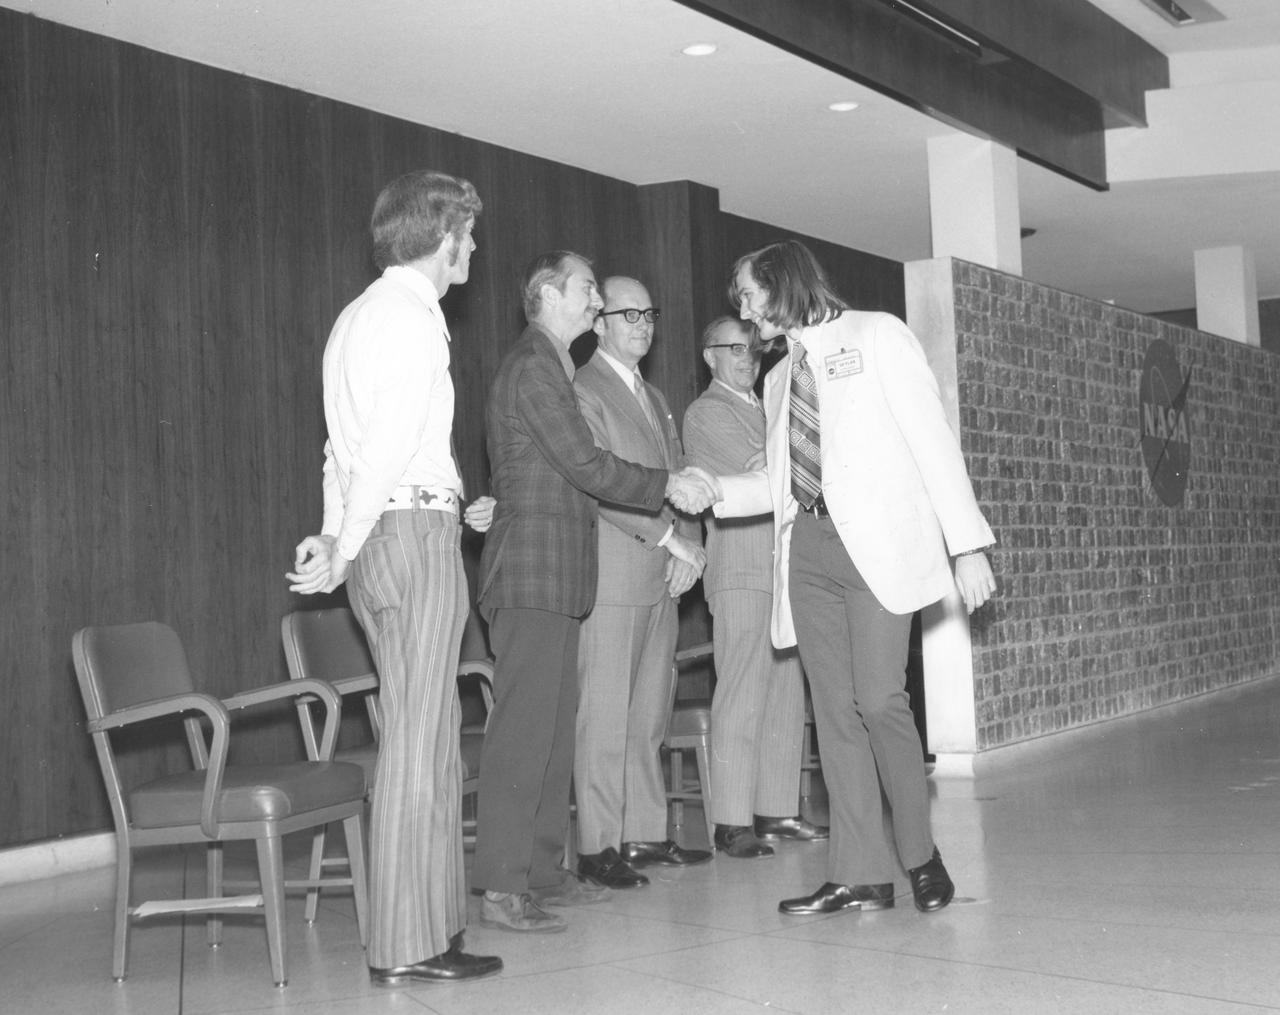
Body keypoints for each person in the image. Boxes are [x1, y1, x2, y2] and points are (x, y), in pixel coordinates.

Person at [707, 239, 997, 916]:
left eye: (749, 293)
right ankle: (860, 871)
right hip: (806, 549)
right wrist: (711, 487)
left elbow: (933, 439)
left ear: (781, 283)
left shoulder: (877, 334)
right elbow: (775, 481)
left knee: (879, 700)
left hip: (877, 551)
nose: (745, 311)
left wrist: (969, 543)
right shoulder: (778, 377)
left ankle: (921, 855)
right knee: (834, 711)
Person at [285, 170, 501, 984]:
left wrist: (338, 537)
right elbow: (380, 451)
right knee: (421, 734)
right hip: (411, 532)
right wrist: (342, 543)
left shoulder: (357, 317)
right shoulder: (411, 319)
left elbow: (341, 451)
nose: (473, 247)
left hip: (384, 533)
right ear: (442, 235)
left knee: (426, 727)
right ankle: (410, 941)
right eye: (468, 234)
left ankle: (429, 929)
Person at [472, 251, 715, 933]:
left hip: (557, 573)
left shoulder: (549, 365)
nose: (595, 302)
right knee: (523, 734)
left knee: (552, 736)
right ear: (548, 294)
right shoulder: (533, 367)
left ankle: (544, 872)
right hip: (531, 571)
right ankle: (500, 885)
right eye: (586, 290)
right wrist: (664, 485)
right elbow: (584, 463)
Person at [572, 276, 712, 890]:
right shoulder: (583, 388)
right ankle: (600, 845)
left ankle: (645, 834)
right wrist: (668, 538)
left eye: (649, 313)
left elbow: (678, 476)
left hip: (663, 575)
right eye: (627, 313)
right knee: (604, 717)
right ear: (598, 320)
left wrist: (694, 547)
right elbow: (599, 482)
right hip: (614, 572)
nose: (642, 323)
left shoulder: (654, 396)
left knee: (648, 713)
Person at [683, 316, 827, 860]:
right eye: (733, 349)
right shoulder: (705, 413)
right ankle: (731, 820)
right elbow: (769, 477)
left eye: (752, 349)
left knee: (787, 692)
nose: (747, 358)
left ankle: (776, 810)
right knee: (742, 690)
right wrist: (781, 457)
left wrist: (776, 458)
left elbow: (782, 466)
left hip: (785, 567)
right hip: (741, 567)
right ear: (709, 356)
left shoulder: (768, 408)